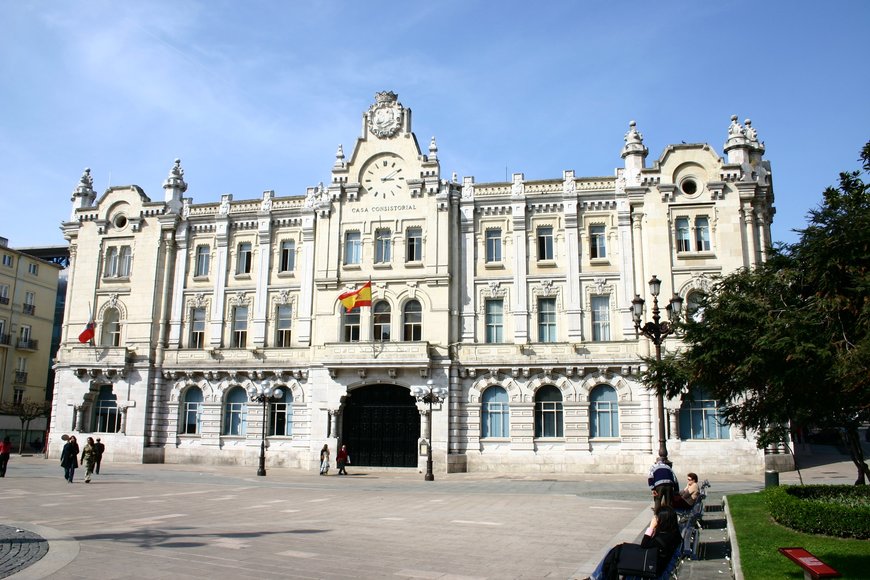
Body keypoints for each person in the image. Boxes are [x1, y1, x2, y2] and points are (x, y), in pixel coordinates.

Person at [587, 505, 681, 580]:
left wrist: (651, 527)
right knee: (616, 551)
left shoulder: (664, 538)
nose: (654, 519)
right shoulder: (672, 534)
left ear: (663, 520)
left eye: (656, 517)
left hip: (653, 569)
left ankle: (595, 578)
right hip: (655, 564)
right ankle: (595, 578)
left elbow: (644, 545)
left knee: (616, 553)